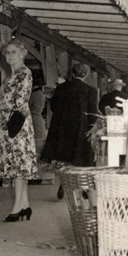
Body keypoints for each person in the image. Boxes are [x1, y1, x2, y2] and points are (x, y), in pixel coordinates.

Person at [0, 39, 36, 222]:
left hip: (19, 123)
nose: (9, 56)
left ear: (22, 53)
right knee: (18, 163)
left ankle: (16, 207)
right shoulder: (12, 75)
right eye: (7, 53)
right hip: (9, 122)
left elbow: (19, 100)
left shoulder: (24, 73)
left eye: (13, 52)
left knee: (19, 164)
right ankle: (24, 205)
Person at [42, 62, 98, 199]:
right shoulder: (90, 90)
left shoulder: (61, 88)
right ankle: (84, 188)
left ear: (72, 73)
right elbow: (92, 114)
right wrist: (93, 130)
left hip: (63, 129)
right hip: (81, 129)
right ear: (86, 75)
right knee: (81, 159)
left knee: (65, 159)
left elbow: (54, 107)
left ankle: (63, 185)